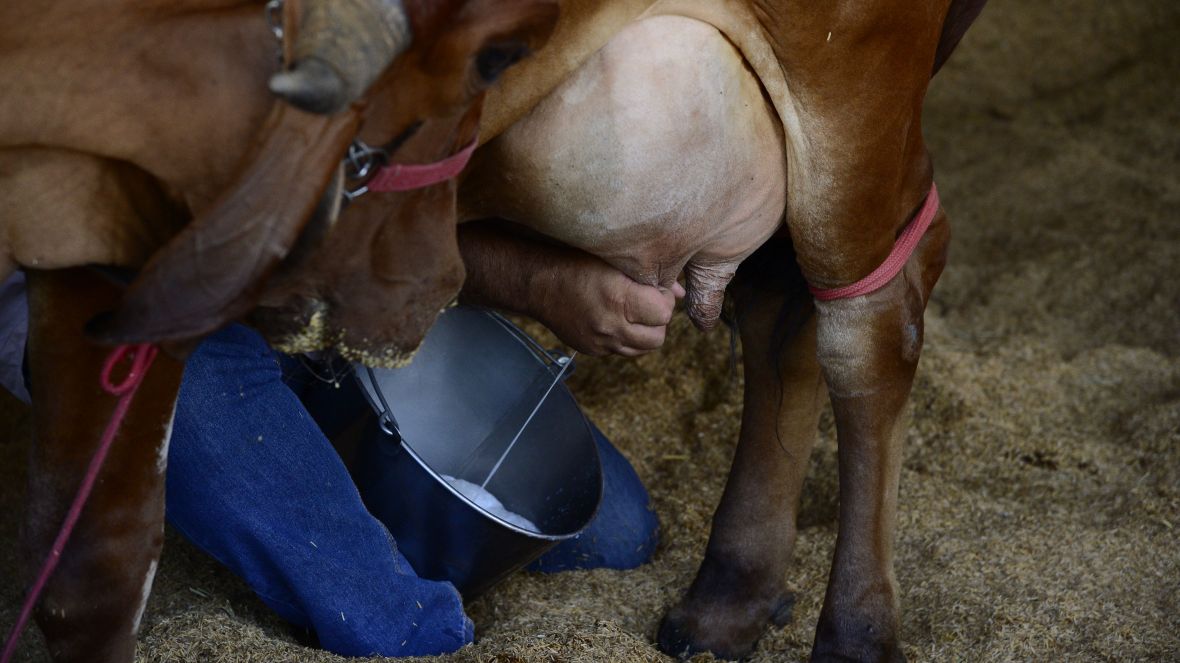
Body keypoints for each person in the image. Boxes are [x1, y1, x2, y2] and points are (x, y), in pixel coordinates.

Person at [1, 223, 682, 657]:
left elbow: (388, 204)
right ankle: (393, 598)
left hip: (315, 275)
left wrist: (547, 279)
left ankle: (343, 470)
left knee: (618, 535)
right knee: (405, 632)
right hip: (132, 304)